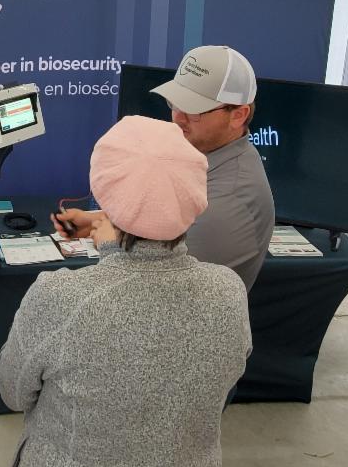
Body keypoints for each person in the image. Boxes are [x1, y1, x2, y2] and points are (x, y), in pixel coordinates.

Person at [0, 116, 252, 467]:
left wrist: (111, 248)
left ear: (104, 190)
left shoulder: (61, 299)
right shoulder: (228, 292)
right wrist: (109, 235)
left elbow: (12, 393)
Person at [62, 45, 275, 291]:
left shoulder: (229, 201)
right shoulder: (206, 155)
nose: (178, 118)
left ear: (238, 115)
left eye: (194, 109)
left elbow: (151, 283)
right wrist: (99, 220)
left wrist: (108, 241)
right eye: (175, 102)